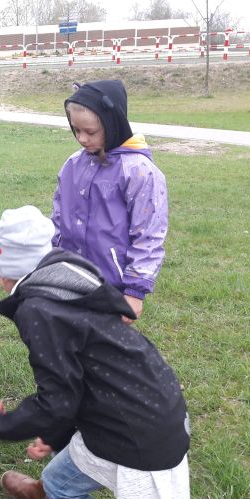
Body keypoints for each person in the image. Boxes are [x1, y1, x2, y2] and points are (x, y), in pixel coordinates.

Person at [0, 205, 191, 499]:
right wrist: (53, 433)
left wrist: (2, 425)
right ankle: (46, 495)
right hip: (158, 407)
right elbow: (78, 379)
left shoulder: (38, 310)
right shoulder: (69, 276)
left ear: (7, 271)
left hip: (135, 430)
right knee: (62, 474)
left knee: (61, 485)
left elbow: (58, 401)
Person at [52, 79, 168, 324]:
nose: (82, 139)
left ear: (112, 124)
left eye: (90, 132)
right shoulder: (73, 164)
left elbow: (149, 234)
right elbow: (58, 218)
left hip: (111, 287)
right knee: (67, 346)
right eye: (76, 130)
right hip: (70, 276)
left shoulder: (138, 171)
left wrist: (135, 291)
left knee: (102, 353)